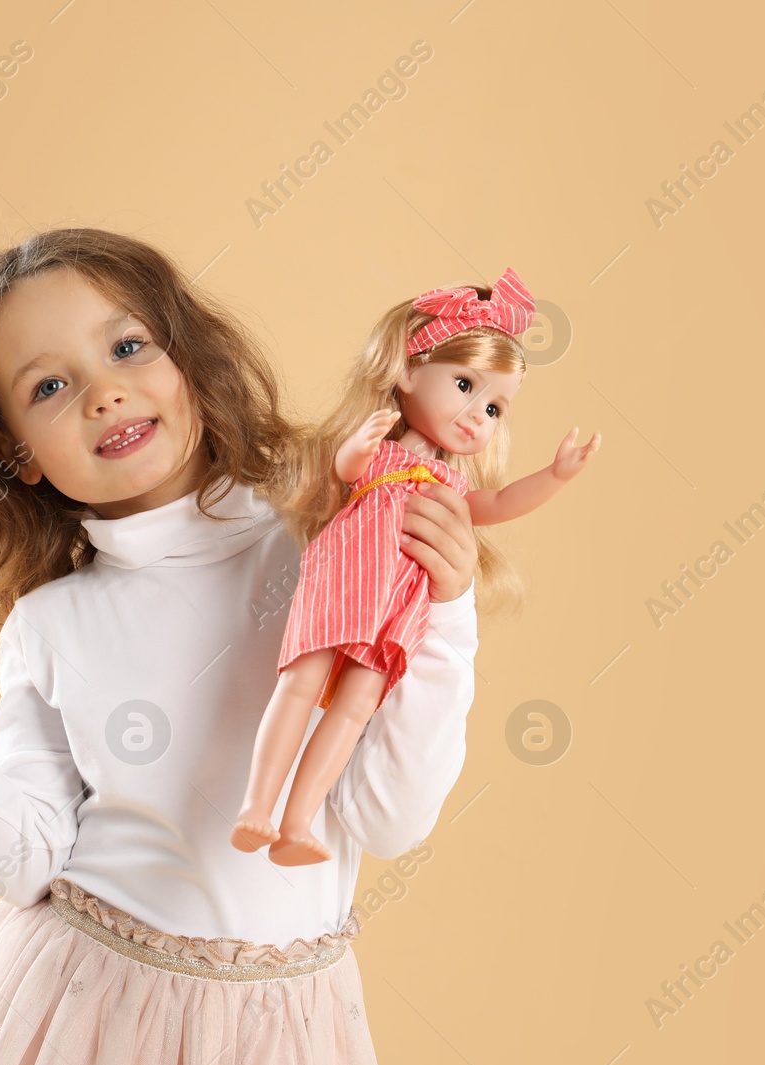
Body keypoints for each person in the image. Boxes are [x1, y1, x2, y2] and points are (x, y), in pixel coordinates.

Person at [0, 227, 479, 1065]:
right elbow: (23, 855)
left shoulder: (325, 549)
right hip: (89, 1013)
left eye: (128, 346)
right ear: (15, 455)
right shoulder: (52, 627)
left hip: (285, 1032)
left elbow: (389, 817)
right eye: (49, 386)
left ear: (189, 360)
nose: (103, 393)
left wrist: (448, 613)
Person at [232, 268, 601, 865]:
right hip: (345, 581)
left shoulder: (451, 484)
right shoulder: (383, 455)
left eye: (495, 407)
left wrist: (555, 476)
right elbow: (348, 470)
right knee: (301, 681)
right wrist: (361, 443)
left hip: (398, 607)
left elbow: (499, 504)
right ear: (406, 370)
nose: (478, 415)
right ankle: (257, 806)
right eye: (464, 385)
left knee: (354, 708)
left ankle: (298, 824)